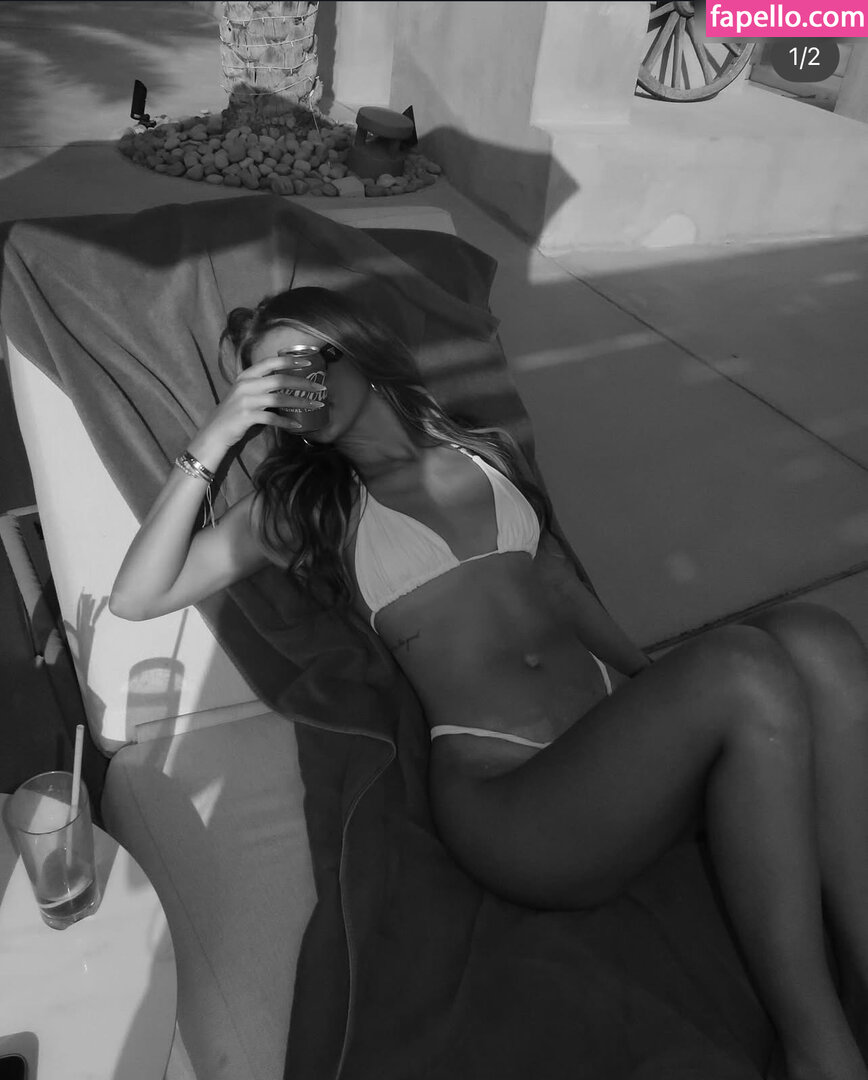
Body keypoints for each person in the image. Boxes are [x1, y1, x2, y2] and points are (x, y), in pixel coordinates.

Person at [111, 286, 868, 1080]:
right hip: (514, 803)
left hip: (609, 761)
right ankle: (822, 1052)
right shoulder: (309, 507)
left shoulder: (486, 448)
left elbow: (562, 586)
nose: (298, 390)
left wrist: (668, 696)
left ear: (357, 345)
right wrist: (221, 432)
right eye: (273, 384)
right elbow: (138, 595)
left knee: (814, 640)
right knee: (744, 667)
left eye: (305, 362)